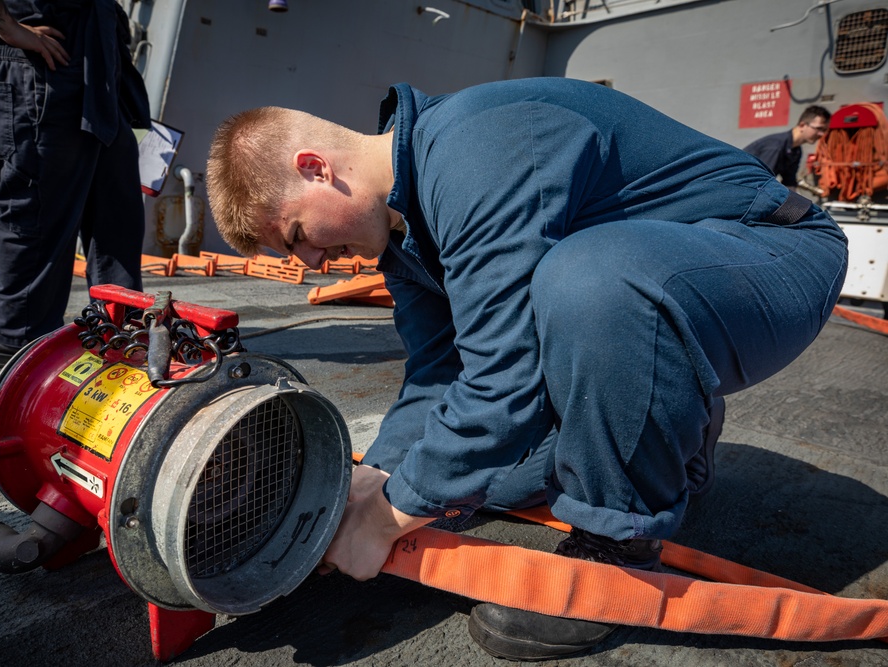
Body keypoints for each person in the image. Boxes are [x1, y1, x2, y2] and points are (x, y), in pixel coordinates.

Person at [205, 78, 848, 661]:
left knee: (589, 279)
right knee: (486, 485)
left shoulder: (476, 149)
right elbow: (438, 372)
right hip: (662, 291)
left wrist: (388, 516)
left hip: (768, 252)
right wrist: (381, 475)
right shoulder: (405, 233)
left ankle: (616, 552)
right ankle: (677, 432)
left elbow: (505, 381)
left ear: (315, 169)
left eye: (295, 235)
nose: (312, 263)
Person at [0, 0, 150, 367]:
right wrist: (10, 28)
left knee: (116, 220)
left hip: (101, 64)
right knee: (37, 214)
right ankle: (22, 355)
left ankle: (119, 339)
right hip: (42, 64)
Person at [743, 105, 831, 190]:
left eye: (824, 130)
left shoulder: (796, 151)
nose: (821, 134)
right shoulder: (776, 146)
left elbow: (789, 183)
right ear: (802, 125)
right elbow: (760, 182)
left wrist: (795, 204)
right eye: (819, 128)